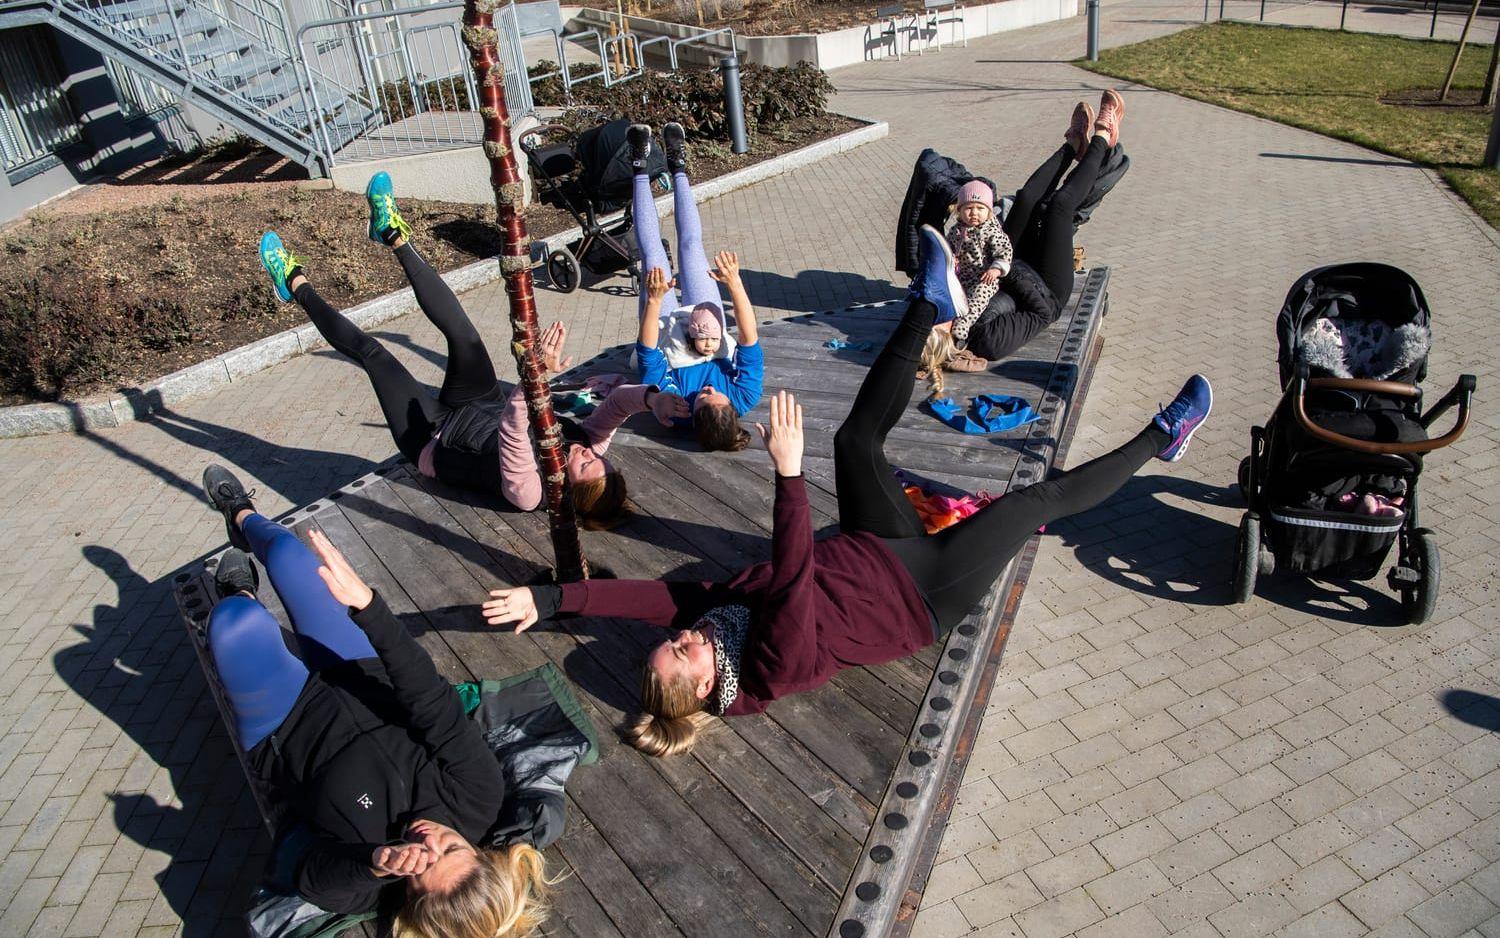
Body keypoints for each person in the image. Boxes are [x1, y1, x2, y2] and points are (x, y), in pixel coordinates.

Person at [480, 226, 1213, 757]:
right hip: (920, 595)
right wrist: (788, 478)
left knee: (856, 443)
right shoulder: (770, 668)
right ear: (705, 691)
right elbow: (794, 577)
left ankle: (929, 301)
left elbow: (638, 600)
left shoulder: (710, 627)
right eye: (685, 655)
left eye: (673, 643)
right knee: (1027, 506)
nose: (685, 638)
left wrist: (546, 601)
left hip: (868, 550)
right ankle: (1163, 437)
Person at [198, 465, 550, 934]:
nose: (430, 844)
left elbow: (308, 874)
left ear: (409, 895)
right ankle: (240, 514)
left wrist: (375, 864)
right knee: (287, 553)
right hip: (358, 669)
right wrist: (367, 606)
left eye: (423, 869)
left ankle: (238, 590)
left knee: (233, 624)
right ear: (480, 851)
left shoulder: (365, 882)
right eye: (452, 849)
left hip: (286, 726)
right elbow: (430, 698)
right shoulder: (478, 797)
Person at [258, 172, 689, 524]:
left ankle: (293, 283)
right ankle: (391, 232)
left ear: (570, 489)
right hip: (480, 402)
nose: (586, 453)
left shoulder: (530, 492)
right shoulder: (588, 446)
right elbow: (615, 406)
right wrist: (653, 398)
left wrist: (537, 373)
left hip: (432, 436)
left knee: (375, 356)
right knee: (464, 334)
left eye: (585, 465)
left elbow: (515, 429)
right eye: (599, 459)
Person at [925, 90, 1127, 388]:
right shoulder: (989, 341)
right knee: (1059, 207)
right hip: (1045, 289)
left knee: (1027, 199)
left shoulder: (949, 310)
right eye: (938, 327)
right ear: (947, 339)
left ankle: (1072, 144)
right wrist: (1007, 267)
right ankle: (1101, 136)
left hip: (1010, 265)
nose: (937, 319)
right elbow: (1041, 313)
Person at [629, 122, 764, 452]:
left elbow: (648, 353)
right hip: (709, 329)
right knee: (691, 247)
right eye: (713, 395)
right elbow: (748, 338)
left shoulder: (675, 409)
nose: (705, 391)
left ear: (693, 414)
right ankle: (678, 165)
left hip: (667, 333)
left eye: (701, 400)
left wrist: (655, 301)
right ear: (732, 409)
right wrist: (735, 284)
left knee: (653, 255)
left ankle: (639, 166)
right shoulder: (744, 396)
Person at [944, 179, 1014, 372]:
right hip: (963, 276)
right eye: (968, 208)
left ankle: (963, 327)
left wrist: (996, 268)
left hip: (985, 277)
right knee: (951, 294)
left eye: (979, 208)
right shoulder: (956, 231)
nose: (974, 213)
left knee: (978, 298)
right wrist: (951, 259)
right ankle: (944, 327)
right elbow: (949, 249)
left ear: (989, 211)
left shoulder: (992, 231)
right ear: (960, 210)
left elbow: (1004, 251)